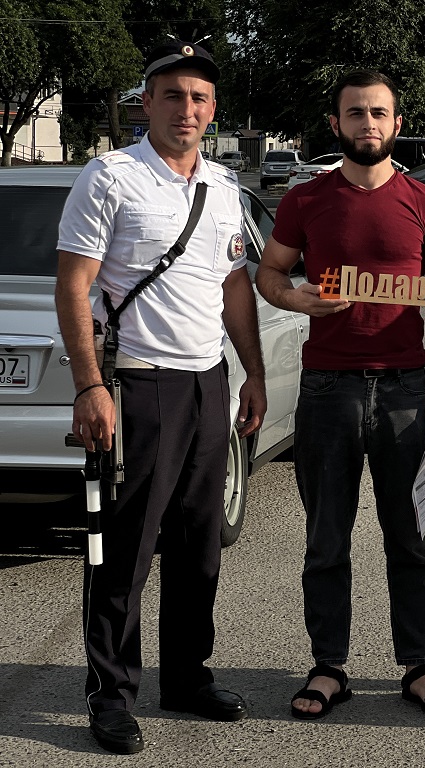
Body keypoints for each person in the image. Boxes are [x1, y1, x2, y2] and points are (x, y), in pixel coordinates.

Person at [54, 39, 267, 754]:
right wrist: (90, 385)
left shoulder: (226, 187)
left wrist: (254, 374)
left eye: (200, 98)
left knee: (199, 546)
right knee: (127, 551)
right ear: (145, 102)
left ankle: (186, 676)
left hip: (209, 381)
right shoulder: (110, 177)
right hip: (140, 382)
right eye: (173, 95)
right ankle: (110, 694)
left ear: (213, 110)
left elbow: (232, 288)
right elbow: (74, 286)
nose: (187, 109)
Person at [255, 70, 425, 719]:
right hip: (327, 390)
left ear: (396, 124)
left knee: (409, 537)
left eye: (379, 113)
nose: (367, 124)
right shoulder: (306, 199)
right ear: (336, 123)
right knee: (326, 538)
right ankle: (329, 667)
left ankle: (418, 666)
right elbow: (268, 271)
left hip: (403, 388)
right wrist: (294, 297)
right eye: (355, 114)